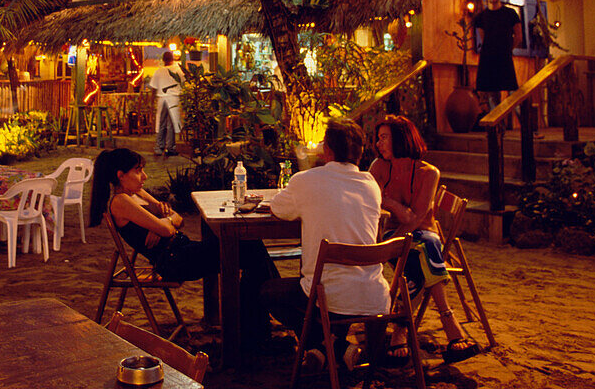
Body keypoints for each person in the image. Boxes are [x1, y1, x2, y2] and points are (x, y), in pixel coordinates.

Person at [89, 147, 276, 347]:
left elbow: (178, 219)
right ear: (121, 175)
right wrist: (161, 223)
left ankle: (254, 326)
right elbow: (168, 229)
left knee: (250, 246)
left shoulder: (137, 193)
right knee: (250, 250)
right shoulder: (121, 201)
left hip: (183, 248)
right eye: (138, 170)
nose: (144, 176)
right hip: (174, 261)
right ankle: (262, 317)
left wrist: (162, 222)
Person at [263, 118, 388, 370]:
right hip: (374, 292)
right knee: (315, 281)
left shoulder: (306, 180)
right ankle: (328, 346)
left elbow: (278, 208)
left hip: (327, 295)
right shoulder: (370, 184)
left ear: (327, 150)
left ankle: (327, 345)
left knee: (268, 292)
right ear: (360, 152)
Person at [370, 115, 480, 365]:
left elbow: (416, 218)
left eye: (384, 138)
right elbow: (371, 201)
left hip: (421, 234)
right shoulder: (378, 167)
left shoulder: (429, 173)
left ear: (401, 139)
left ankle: (399, 330)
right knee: (424, 255)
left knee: (423, 249)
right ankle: (449, 322)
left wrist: (392, 243)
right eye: (379, 139)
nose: (379, 144)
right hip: (395, 236)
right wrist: (394, 208)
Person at [473, 0, 521, 113]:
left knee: (514, 94)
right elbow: (484, 39)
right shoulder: (481, 17)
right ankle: (498, 130)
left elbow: (518, 36)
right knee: (492, 96)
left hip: (505, 57)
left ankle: (529, 130)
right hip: (488, 58)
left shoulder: (510, 14)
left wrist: (508, 49)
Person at [148, 51, 184, 156]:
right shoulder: (179, 71)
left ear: (163, 60)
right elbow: (184, 83)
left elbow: (153, 88)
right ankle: (170, 148)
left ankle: (159, 147)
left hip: (162, 99)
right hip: (174, 99)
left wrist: (151, 102)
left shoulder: (159, 71)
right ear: (172, 59)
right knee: (171, 124)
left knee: (161, 124)